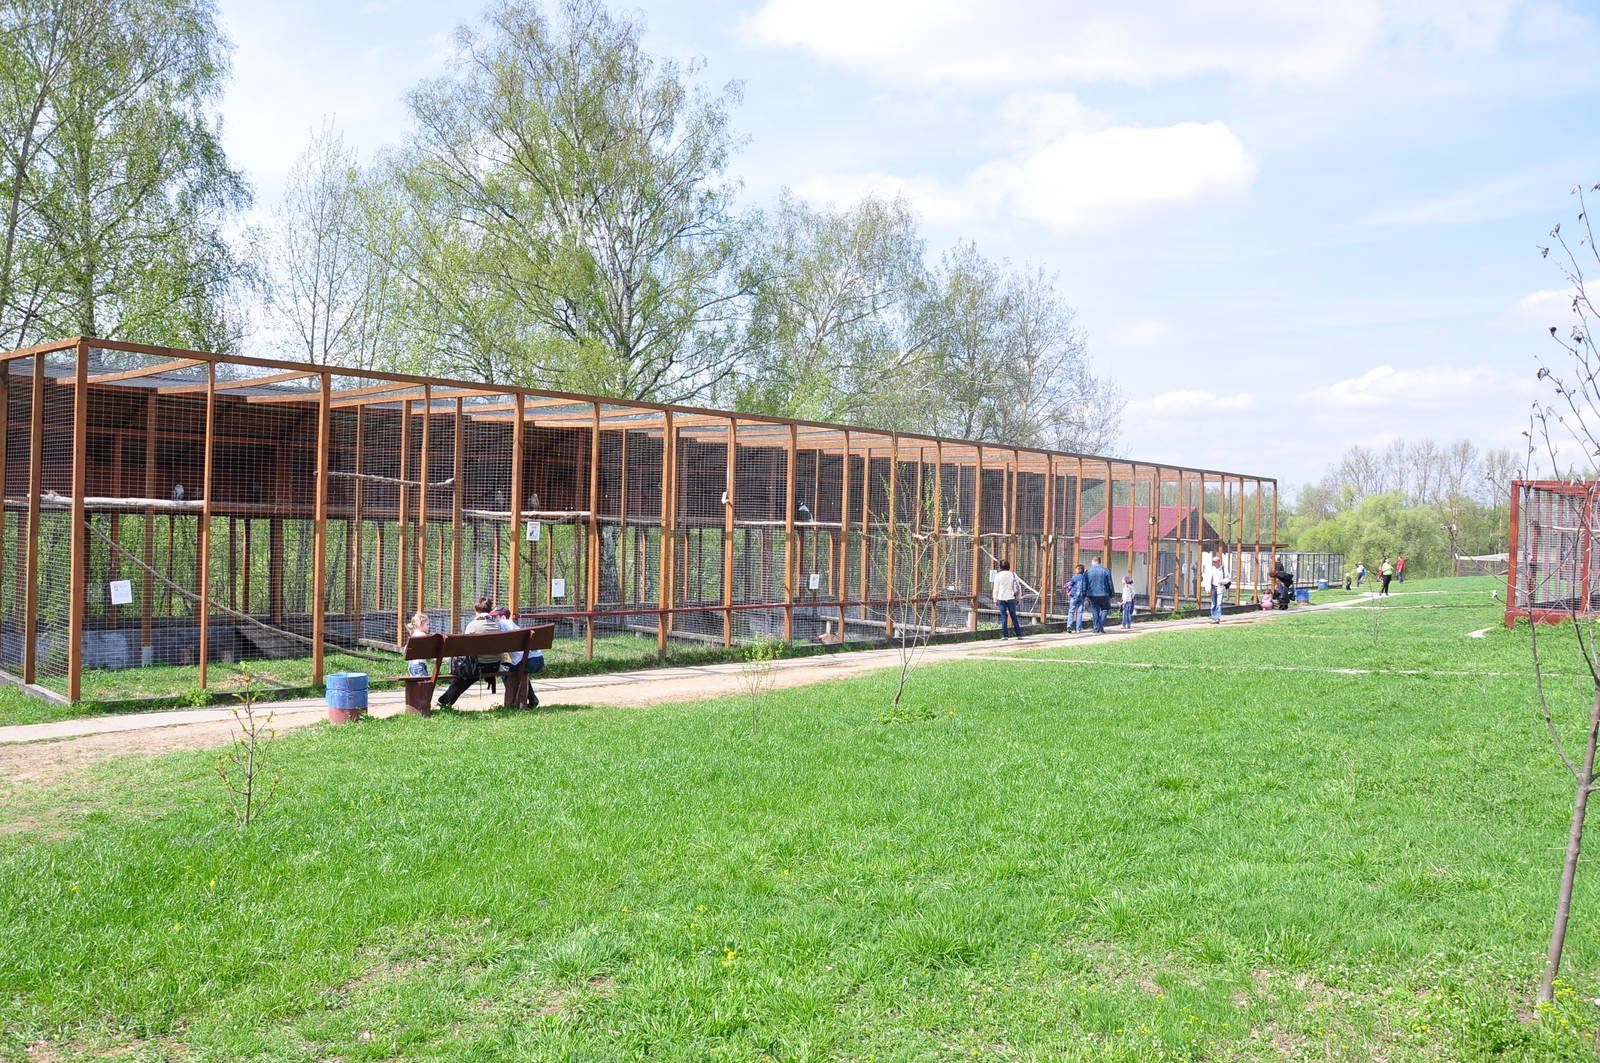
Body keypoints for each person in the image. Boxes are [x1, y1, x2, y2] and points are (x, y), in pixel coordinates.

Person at [435, 598, 504, 709]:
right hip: (494, 666)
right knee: (464, 678)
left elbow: (465, 649)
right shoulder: (496, 626)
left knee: (462, 677)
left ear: (476, 611)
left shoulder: (472, 626)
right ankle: (443, 701)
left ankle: (444, 702)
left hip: (479, 667)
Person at [491, 605, 543, 708]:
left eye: (495, 616)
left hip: (527, 662)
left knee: (505, 670)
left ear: (502, 616)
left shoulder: (502, 623)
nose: (494, 620)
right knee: (518, 670)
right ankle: (532, 698)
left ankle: (514, 699)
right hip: (538, 659)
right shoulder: (515, 626)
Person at [991, 560, 1036, 639]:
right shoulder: (1013, 574)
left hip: (1001, 598)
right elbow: (1018, 587)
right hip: (1011, 598)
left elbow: (996, 589)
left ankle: (1005, 635)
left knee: (1004, 617)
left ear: (1001, 567)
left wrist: (995, 600)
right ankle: (1019, 635)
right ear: (1008, 566)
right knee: (1014, 616)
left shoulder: (998, 575)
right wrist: (1019, 598)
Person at [1084, 556, 1115, 634]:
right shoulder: (1106, 570)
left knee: (1095, 610)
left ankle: (1096, 628)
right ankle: (1101, 625)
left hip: (1092, 594)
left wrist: (1084, 594)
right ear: (1099, 562)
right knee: (1105, 609)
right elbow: (1110, 583)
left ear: (1093, 561)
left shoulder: (1087, 571)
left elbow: (1084, 584)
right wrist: (1112, 594)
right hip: (1104, 594)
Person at [1203, 554, 1230, 623]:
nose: (1214, 563)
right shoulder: (1211, 569)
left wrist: (1222, 581)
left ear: (1219, 562)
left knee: (1219, 603)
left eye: (1215, 562)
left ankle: (1217, 618)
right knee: (1213, 603)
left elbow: (1228, 579)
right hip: (1212, 587)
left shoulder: (1223, 569)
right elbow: (1207, 579)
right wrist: (1207, 588)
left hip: (1220, 587)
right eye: (1213, 562)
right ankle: (1213, 617)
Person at [405, 611, 432, 677]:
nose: (429, 626)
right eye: (427, 624)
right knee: (424, 684)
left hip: (412, 665)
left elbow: (406, 648)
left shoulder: (414, 635)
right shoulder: (423, 636)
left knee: (417, 685)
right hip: (419, 665)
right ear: (420, 625)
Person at [1064, 564, 1088, 633]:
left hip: (1074, 596)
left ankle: (1069, 626)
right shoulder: (1084, 578)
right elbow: (1085, 588)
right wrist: (1085, 595)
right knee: (1080, 612)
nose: (1075, 570)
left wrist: (1069, 590)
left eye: (1076, 569)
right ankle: (1078, 628)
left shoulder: (1074, 577)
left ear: (1078, 570)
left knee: (1071, 611)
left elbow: (1070, 585)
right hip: (1081, 597)